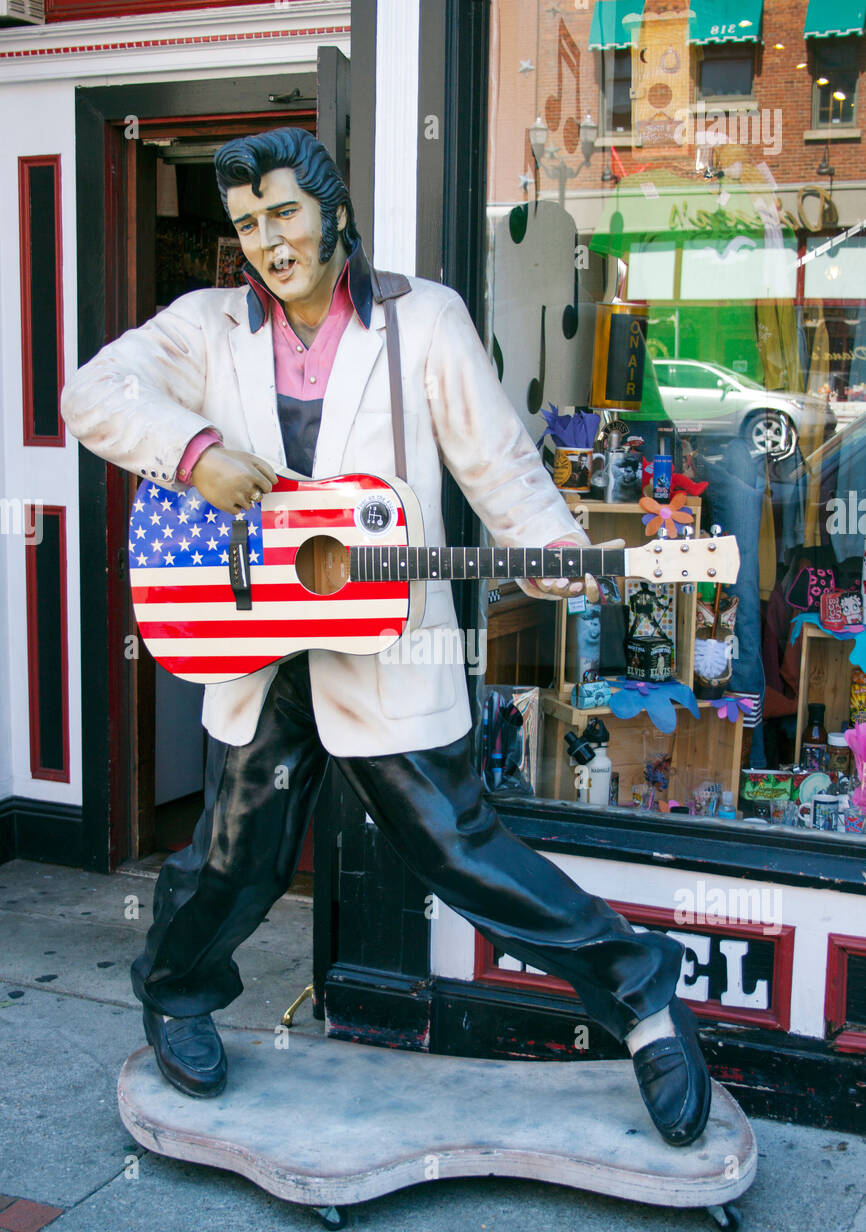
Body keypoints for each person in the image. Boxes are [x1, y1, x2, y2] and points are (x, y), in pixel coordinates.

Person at [60, 128, 710, 1146]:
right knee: (236, 855)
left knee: (462, 851)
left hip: (387, 639)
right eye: (246, 224)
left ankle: (640, 998)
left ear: (330, 209)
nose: (268, 241)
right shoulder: (207, 325)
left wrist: (556, 552)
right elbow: (90, 393)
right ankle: (176, 990)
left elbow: (498, 464)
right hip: (256, 636)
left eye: (283, 213)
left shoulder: (426, 320)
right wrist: (192, 453)